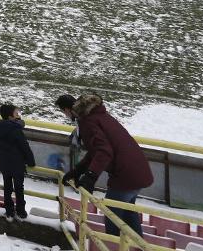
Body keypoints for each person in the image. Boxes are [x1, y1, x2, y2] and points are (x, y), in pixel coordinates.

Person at [63, 94, 153, 237]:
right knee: (128, 212)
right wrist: (78, 170)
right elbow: (96, 151)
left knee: (111, 215)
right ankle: (139, 248)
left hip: (125, 176)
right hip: (139, 171)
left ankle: (114, 247)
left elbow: (104, 151)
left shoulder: (88, 122)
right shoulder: (102, 116)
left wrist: (90, 176)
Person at [0, 104, 35, 220]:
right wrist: (31, 161)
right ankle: (21, 211)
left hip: (4, 162)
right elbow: (24, 146)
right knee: (19, 187)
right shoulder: (15, 130)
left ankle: (9, 211)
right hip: (17, 164)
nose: (18, 115)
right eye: (16, 113)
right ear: (10, 116)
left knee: (7, 187)